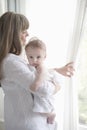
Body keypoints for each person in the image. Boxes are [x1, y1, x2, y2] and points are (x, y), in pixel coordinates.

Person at [0, 11, 74, 130]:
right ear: (13, 35)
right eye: (24, 32)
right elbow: (42, 89)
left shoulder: (13, 61)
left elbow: (30, 75)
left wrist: (56, 70)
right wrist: (57, 85)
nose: (27, 34)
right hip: (29, 124)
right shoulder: (11, 62)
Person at [25, 37, 64, 124]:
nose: (34, 60)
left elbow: (41, 75)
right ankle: (50, 113)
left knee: (42, 108)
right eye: (30, 57)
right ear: (26, 56)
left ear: (44, 56)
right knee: (39, 108)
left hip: (45, 88)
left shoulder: (41, 66)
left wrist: (36, 83)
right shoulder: (30, 66)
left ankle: (51, 114)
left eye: (38, 57)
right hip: (41, 91)